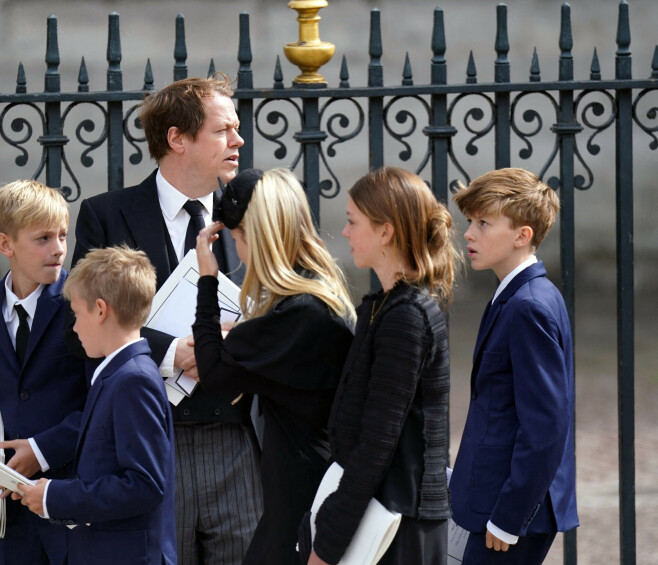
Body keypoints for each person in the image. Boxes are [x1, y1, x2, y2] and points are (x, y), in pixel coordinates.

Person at [69, 74, 262, 565]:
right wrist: (173, 352)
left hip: (236, 439)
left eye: (236, 129)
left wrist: (241, 340)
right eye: (223, 130)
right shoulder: (106, 216)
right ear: (176, 138)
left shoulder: (256, 213)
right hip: (151, 439)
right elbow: (89, 323)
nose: (238, 140)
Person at [192, 168, 356, 565]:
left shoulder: (300, 312)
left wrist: (208, 281)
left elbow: (213, 374)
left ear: (258, 238)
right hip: (304, 483)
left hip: (304, 493)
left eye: (237, 239)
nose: (238, 251)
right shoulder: (314, 295)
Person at [309, 167, 457, 565]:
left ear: (386, 231)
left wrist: (325, 547)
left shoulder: (406, 317)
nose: (345, 232)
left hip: (398, 524)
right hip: (385, 513)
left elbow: (377, 444)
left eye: (353, 221)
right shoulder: (384, 308)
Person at [15, 245, 176, 565]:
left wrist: (54, 497)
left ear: (100, 310)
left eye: (76, 314)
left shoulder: (133, 381)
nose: (73, 328)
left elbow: (144, 484)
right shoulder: (117, 374)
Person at [448, 168, 578, 564]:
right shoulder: (518, 294)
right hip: (499, 500)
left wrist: (509, 517)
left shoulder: (528, 306)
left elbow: (544, 426)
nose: (469, 233)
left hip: (513, 512)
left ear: (522, 235)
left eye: (484, 223)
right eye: (470, 222)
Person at [0, 179, 87, 564]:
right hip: (13, 507)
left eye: (63, 235)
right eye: (43, 238)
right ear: (5, 244)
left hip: (75, 495)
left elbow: (102, 401)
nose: (59, 249)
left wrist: (42, 450)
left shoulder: (80, 300)